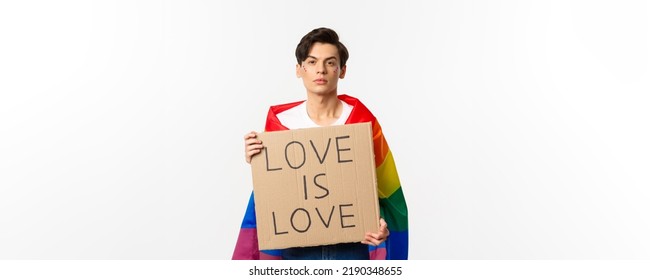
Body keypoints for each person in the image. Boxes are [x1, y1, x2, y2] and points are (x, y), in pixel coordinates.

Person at [232, 27, 408, 260]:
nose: (321, 70)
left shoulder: (363, 122)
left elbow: (385, 190)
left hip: (351, 248)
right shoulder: (281, 123)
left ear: (342, 70)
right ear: (299, 69)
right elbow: (274, 192)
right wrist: (255, 158)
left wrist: (382, 227)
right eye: (312, 62)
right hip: (295, 250)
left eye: (330, 62)